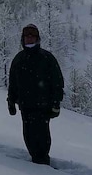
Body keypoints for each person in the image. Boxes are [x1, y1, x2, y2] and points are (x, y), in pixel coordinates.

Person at [7, 23, 63, 165]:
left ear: (37, 38)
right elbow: (13, 82)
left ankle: (43, 164)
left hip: (43, 107)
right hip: (25, 106)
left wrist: (56, 103)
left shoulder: (46, 58)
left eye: (32, 36)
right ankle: (35, 162)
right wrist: (11, 101)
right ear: (23, 39)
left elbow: (57, 82)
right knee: (29, 137)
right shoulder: (19, 59)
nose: (29, 39)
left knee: (42, 138)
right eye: (27, 36)